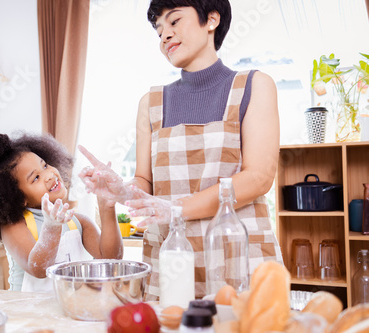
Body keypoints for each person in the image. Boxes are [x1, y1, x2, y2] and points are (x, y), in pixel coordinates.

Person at [79, 0, 283, 300]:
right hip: (171, 257)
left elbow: (258, 178)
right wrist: (122, 191)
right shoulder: (151, 103)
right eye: (159, 28)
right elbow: (145, 183)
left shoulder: (254, 86)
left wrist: (176, 209)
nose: (164, 35)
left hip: (239, 253)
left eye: (174, 21)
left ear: (211, 19)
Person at [0, 133, 123, 292]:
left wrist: (106, 206)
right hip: (29, 312)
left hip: (69, 309)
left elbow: (111, 259)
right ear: (18, 197)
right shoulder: (14, 226)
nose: (49, 175)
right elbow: (39, 269)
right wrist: (51, 228)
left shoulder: (77, 221)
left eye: (44, 165)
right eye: (35, 178)